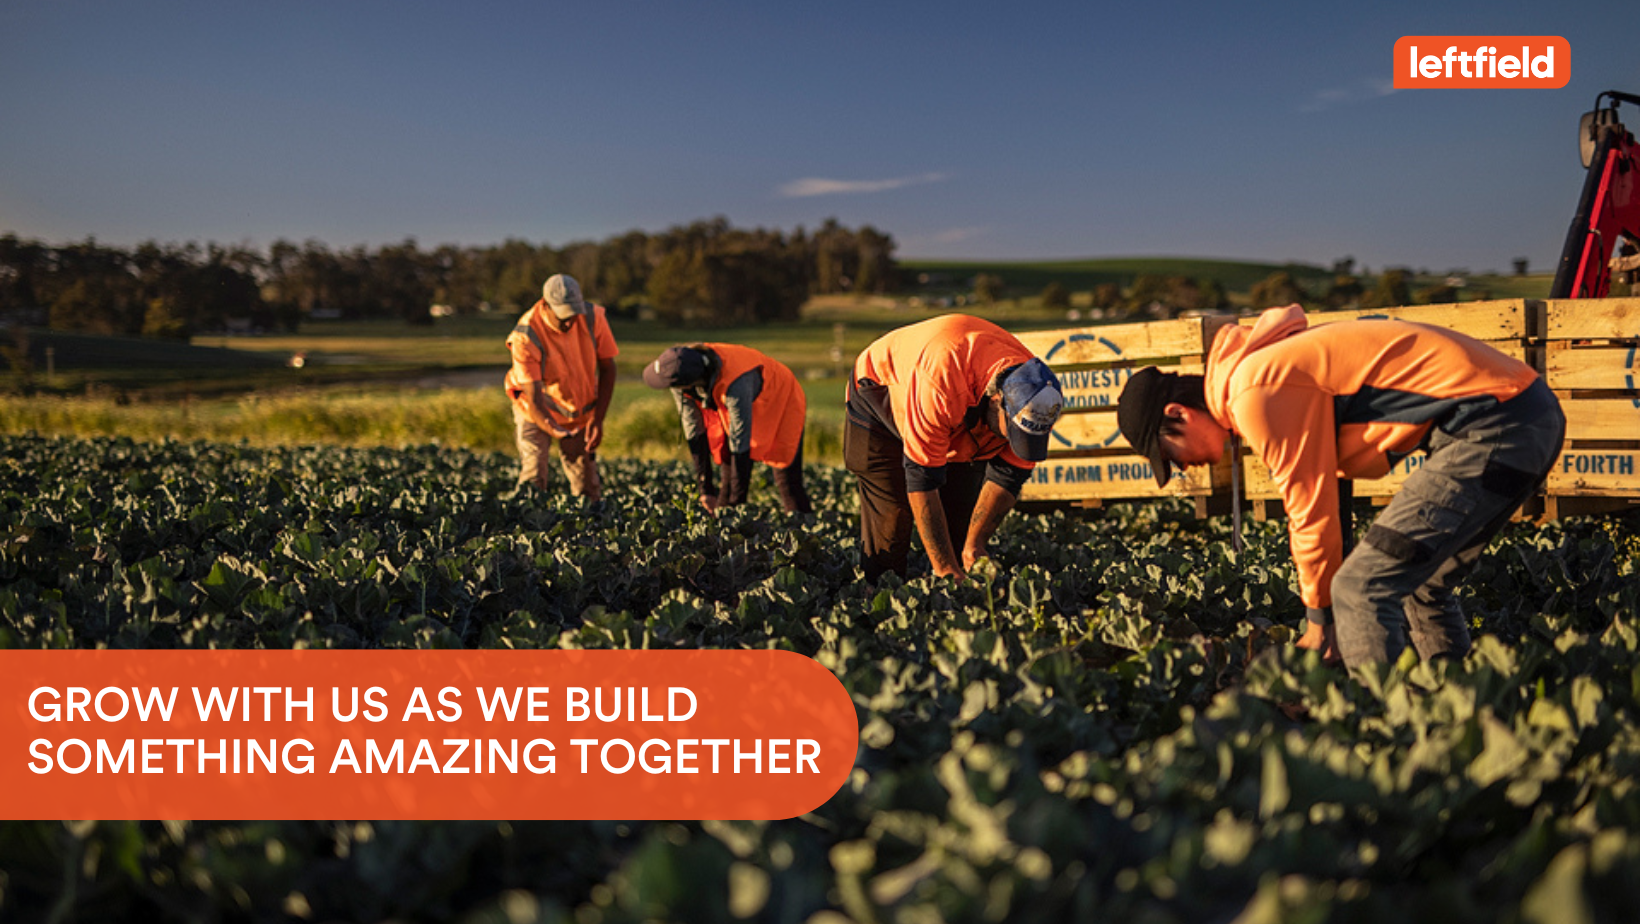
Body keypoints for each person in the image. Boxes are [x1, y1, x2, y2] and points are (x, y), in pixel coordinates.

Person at [1116, 303, 1565, 667]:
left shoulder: (1255, 389)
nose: (1182, 468)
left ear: (1178, 413)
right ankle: (1453, 714)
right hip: (1526, 413)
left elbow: (1309, 510)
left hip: (1494, 424)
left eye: (1170, 455)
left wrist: (1319, 624)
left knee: (1360, 587)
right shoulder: (1263, 372)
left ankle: (1377, 727)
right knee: (1421, 585)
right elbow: (1332, 501)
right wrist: (1326, 615)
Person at [845, 314, 1065, 582]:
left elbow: (1010, 475)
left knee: (959, 525)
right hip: (881, 392)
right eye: (1014, 433)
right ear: (997, 401)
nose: (1015, 441)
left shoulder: (1037, 396)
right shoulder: (943, 381)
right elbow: (922, 480)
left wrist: (975, 544)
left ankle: (946, 595)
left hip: (960, 409)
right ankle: (878, 591)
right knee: (892, 519)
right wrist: (945, 569)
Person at [642, 343, 812, 514]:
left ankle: (804, 524)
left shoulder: (735, 383)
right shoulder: (679, 368)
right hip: (740, 399)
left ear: (687, 384)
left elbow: (740, 441)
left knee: (787, 480)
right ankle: (726, 517)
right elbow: (693, 430)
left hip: (780, 396)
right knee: (727, 473)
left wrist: (737, 504)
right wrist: (706, 490)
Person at [503, 274, 619, 503]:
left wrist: (598, 420)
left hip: (577, 411)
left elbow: (608, 368)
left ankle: (589, 521)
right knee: (534, 473)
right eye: (563, 316)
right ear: (545, 306)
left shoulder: (593, 317)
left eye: (573, 314)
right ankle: (528, 520)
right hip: (534, 410)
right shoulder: (525, 336)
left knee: (586, 482)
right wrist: (553, 429)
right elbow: (535, 400)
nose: (569, 322)